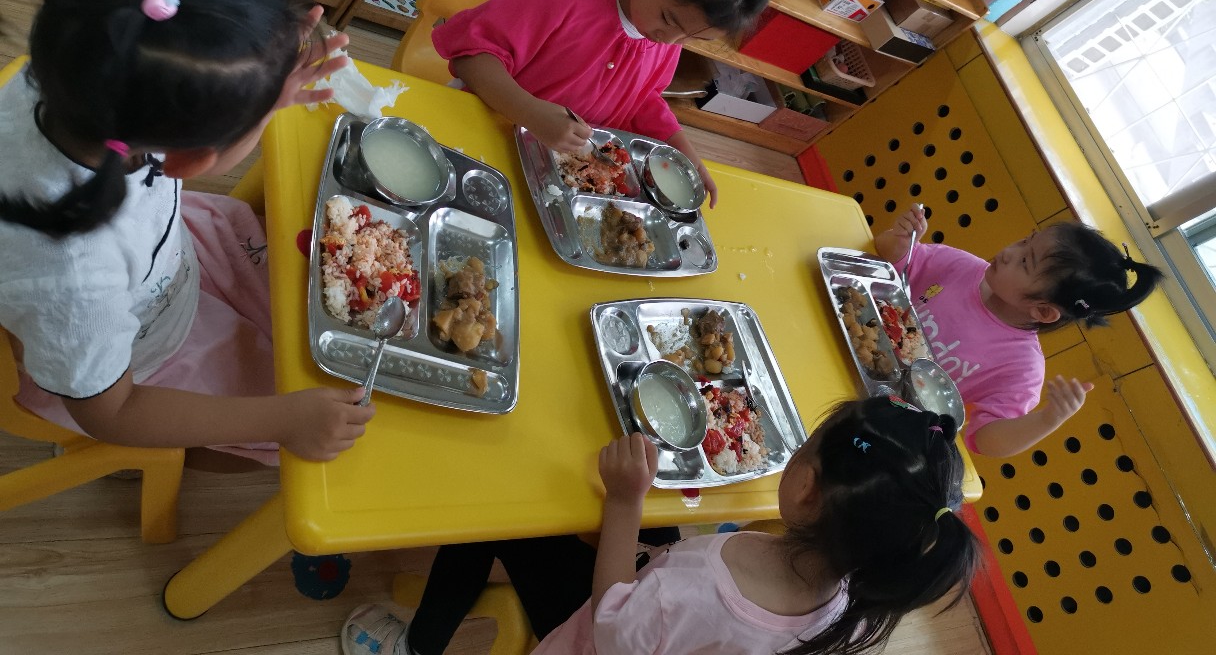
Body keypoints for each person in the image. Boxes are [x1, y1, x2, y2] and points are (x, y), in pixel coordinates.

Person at [0, 0, 375, 466]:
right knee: (310, 407)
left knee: (314, 302)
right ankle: (185, 459)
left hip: (169, 261)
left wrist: (262, 92)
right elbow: (112, 412)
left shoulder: (84, 66)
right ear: (187, 161)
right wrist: (283, 421)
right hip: (140, 370)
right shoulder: (75, 279)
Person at [340, 396, 981, 655]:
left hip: (600, 635)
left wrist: (625, 504)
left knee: (501, 515)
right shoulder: (857, 605)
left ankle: (416, 644)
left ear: (807, 490)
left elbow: (612, 621)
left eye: (803, 449)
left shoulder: (694, 589)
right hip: (670, 621)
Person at [432, 0, 794, 208]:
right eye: (668, 19)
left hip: (550, 168)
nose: (669, 42)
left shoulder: (665, 33)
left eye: (691, 38)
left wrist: (682, 150)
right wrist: (530, 113)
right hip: (479, 132)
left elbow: (643, 97)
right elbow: (471, 58)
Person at [875, 206, 1164, 457]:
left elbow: (986, 440)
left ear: (1043, 311)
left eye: (1025, 262)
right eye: (1026, 241)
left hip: (889, 421)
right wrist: (902, 238)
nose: (1009, 252)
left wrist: (1047, 420)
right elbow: (890, 258)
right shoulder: (962, 268)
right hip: (861, 350)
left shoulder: (1022, 367)